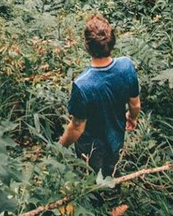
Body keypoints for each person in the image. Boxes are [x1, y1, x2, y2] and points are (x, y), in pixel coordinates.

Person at [59, 13, 141, 176]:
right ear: (112, 42)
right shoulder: (126, 66)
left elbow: (76, 127)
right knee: (112, 173)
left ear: (87, 46)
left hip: (90, 147)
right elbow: (135, 104)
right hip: (116, 137)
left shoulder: (82, 85)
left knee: (91, 179)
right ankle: (114, 196)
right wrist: (132, 117)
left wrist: (60, 146)